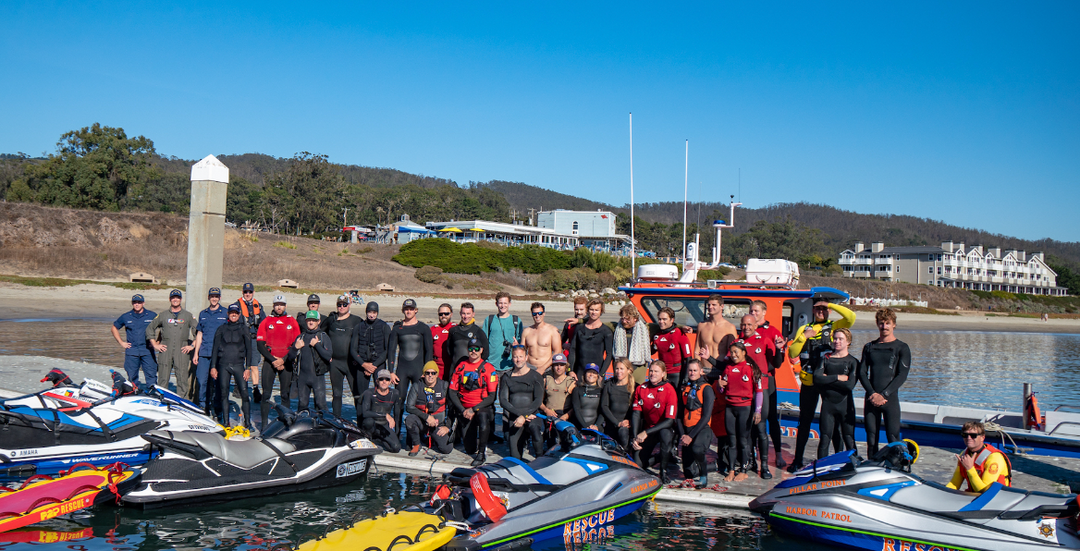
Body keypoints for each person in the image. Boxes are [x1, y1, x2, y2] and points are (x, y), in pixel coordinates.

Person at [786, 297, 857, 471]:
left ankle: (838, 459)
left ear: (829, 311)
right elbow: (792, 352)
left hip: (828, 383)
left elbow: (851, 317)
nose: (820, 311)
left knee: (834, 424)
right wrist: (804, 337)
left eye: (823, 309)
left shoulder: (834, 327)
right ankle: (798, 459)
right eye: (817, 308)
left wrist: (830, 304)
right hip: (810, 382)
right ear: (812, 310)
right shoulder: (805, 328)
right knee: (805, 421)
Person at [733, 314, 784, 477]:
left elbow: (777, 363)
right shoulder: (737, 342)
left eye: (749, 324)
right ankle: (751, 462)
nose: (746, 327)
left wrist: (779, 349)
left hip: (761, 389)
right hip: (743, 390)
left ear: (755, 325)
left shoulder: (763, 340)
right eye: (743, 324)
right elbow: (727, 363)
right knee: (747, 429)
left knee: (761, 428)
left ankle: (765, 466)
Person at [706, 342, 763, 482]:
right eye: (731, 352)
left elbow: (759, 392)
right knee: (731, 441)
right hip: (730, 407)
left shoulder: (751, 369)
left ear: (744, 352)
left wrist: (758, 410)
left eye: (736, 351)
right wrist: (719, 386)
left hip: (745, 408)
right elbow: (721, 390)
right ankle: (731, 470)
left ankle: (743, 470)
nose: (733, 355)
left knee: (743, 441)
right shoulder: (728, 369)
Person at [859, 308, 911, 456]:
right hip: (871, 398)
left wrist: (884, 394)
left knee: (893, 437)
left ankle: (897, 468)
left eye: (888, 323)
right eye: (881, 323)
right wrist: (872, 393)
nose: (884, 326)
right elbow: (862, 373)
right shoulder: (870, 347)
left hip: (890, 399)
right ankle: (872, 467)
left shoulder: (901, 347)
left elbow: (902, 375)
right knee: (871, 437)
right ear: (877, 324)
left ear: (894, 324)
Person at [448, 339, 499, 466]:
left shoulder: (488, 368)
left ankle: (481, 453)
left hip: (481, 408)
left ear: (481, 350)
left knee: (482, 417)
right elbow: (452, 392)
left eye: (477, 349)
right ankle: (475, 444)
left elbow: (492, 396)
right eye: (471, 349)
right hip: (464, 409)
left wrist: (473, 409)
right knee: (469, 448)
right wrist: (462, 410)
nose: (473, 352)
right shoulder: (461, 366)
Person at [387, 298, 434, 432]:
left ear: (416, 310)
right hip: (401, 371)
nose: (408, 311)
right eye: (406, 309)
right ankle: (396, 432)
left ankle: (418, 433)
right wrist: (391, 371)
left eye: (411, 309)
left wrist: (427, 372)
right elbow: (391, 351)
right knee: (399, 401)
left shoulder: (423, 328)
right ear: (403, 311)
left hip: (418, 371)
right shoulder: (397, 329)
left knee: (419, 403)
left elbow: (429, 351)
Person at [256, 295, 301, 431]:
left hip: (286, 362)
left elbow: (297, 344)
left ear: (285, 306)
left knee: (285, 394)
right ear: (273, 306)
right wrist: (273, 359)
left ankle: (285, 423)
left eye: (281, 304)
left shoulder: (291, 321)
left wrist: (284, 359)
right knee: (266, 394)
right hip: (270, 362)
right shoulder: (266, 321)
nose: (279, 307)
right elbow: (260, 344)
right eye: (277, 304)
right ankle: (264, 425)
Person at [813, 327, 859, 459]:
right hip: (828, 406)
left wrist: (827, 379)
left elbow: (849, 385)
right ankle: (821, 468)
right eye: (835, 338)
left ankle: (853, 465)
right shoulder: (826, 358)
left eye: (841, 339)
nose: (837, 341)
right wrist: (837, 377)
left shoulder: (853, 362)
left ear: (848, 342)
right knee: (825, 439)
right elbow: (817, 378)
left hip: (846, 406)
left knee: (849, 438)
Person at [631, 360, 677, 482]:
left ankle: (663, 470)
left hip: (663, 428)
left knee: (665, 435)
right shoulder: (641, 388)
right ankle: (658, 458)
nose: (652, 374)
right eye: (651, 371)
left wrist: (646, 432)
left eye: (656, 371)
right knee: (638, 466)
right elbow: (636, 413)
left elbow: (669, 421)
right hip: (648, 429)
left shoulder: (669, 390)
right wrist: (635, 437)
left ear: (663, 374)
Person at [209, 304, 253, 428]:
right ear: (228, 314)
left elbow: (249, 350)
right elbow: (215, 349)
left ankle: (248, 423)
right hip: (224, 365)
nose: (233, 314)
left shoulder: (244, 329)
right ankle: (225, 421)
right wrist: (213, 366)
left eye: (236, 313)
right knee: (224, 393)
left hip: (239, 365)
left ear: (239, 315)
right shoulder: (221, 329)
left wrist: (248, 368)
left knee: (244, 393)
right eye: (231, 312)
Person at [146, 289, 196, 399]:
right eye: (173, 298)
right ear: (170, 299)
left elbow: (198, 332)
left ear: (181, 299)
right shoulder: (163, 315)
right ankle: (161, 399)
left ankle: (182, 401)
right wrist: (155, 345)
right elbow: (150, 329)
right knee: (163, 378)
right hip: (165, 349)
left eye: (177, 298)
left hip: (182, 349)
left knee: (182, 378)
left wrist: (192, 346)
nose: (175, 300)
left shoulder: (187, 315)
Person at [320, 295, 363, 417]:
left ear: (349, 305)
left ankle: (360, 423)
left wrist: (360, 359)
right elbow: (320, 334)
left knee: (357, 394)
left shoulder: (357, 320)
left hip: (352, 364)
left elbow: (365, 338)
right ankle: (337, 420)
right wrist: (325, 355)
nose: (342, 307)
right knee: (337, 394)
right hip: (335, 363)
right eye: (339, 304)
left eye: (345, 304)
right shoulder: (331, 320)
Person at [499, 346, 545, 459]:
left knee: (536, 434)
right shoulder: (506, 377)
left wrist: (524, 416)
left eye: (520, 356)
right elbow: (503, 401)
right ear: (512, 358)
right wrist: (520, 415)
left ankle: (540, 459)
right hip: (515, 417)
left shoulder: (536, 376)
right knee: (514, 456)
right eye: (515, 357)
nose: (518, 360)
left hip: (532, 415)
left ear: (526, 357)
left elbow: (538, 400)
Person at [678, 359, 715, 487]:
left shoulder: (707, 389)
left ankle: (704, 476)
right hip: (687, 430)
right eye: (690, 370)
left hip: (701, 429)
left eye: (695, 370)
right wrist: (683, 435)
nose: (692, 373)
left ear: (701, 371)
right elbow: (679, 415)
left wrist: (690, 436)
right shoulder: (684, 388)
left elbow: (706, 416)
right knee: (689, 473)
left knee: (697, 449)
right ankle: (712, 466)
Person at [946, 421, 1012, 493]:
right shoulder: (964, 455)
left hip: (996, 498)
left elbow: (985, 492)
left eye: (973, 435)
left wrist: (970, 469)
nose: (968, 438)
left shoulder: (994, 458)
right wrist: (943, 494)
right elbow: (954, 483)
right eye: (965, 435)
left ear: (982, 437)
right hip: (974, 496)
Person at [404, 361, 453, 456]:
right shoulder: (417, 386)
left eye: (433, 373)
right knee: (409, 419)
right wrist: (427, 417)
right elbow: (409, 407)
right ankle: (416, 444)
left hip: (437, 424)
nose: (430, 375)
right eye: (427, 373)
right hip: (422, 422)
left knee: (447, 449)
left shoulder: (444, 386)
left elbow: (452, 409)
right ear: (424, 374)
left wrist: (447, 427)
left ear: (437, 374)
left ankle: (432, 438)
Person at [349, 301, 392, 412]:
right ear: (366, 312)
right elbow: (353, 350)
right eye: (369, 312)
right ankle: (361, 422)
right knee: (361, 396)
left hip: (378, 364)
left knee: (381, 394)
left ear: (377, 313)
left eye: (374, 312)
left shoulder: (384, 327)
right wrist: (363, 364)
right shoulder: (359, 327)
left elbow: (388, 350)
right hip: (362, 365)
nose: (371, 315)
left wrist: (373, 366)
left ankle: (380, 419)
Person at [192, 288, 228, 414]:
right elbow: (199, 334)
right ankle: (203, 406)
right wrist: (196, 353)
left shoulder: (225, 313)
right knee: (202, 381)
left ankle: (216, 407)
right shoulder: (203, 313)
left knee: (217, 382)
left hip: (219, 354)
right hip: (204, 352)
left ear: (220, 298)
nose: (214, 298)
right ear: (208, 297)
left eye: (216, 296)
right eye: (212, 296)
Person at [111, 294, 157, 388]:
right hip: (132, 351)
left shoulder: (152, 315)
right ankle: (135, 392)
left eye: (139, 302)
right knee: (132, 376)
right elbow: (114, 328)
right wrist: (121, 342)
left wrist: (157, 342)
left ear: (143, 303)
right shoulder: (126, 316)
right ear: (132, 303)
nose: (137, 304)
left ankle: (153, 393)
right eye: (135, 302)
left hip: (147, 350)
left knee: (151, 375)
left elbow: (163, 327)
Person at [294, 310, 332, 415]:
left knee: (321, 405)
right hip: (303, 378)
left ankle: (325, 428)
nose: (311, 322)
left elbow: (328, 356)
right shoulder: (301, 337)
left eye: (314, 320)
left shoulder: (323, 336)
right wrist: (295, 348)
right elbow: (290, 357)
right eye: (309, 320)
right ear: (305, 321)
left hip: (317, 377)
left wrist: (317, 345)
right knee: (302, 405)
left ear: (319, 321)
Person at [568, 299, 613, 381]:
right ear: (587, 310)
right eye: (591, 309)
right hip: (579, 371)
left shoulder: (606, 331)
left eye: (597, 310)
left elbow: (609, 355)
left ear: (601, 311)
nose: (594, 312)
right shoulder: (579, 328)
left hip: (596, 372)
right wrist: (570, 370)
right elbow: (572, 350)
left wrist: (601, 373)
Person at [358, 369, 401, 453]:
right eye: (381, 379)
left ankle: (377, 439)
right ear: (377, 381)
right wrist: (385, 415)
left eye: (387, 379)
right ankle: (368, 437)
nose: (384, 382)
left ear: (390, 382)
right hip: (371, 423)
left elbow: (397, 415)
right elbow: (365, 413)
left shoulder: (395, 393)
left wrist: (396, 433)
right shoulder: (369, 393)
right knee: (369, 422)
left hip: (383, 425)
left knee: (396, 448)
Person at [444, 302, 489, 382]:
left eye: (468, 314)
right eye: (463, 313)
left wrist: (475, 365)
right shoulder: (453, 331)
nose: (465, 316)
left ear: (473, 314)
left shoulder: (478, 331)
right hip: (455, 369)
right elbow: (449, 350)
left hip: (472, 371)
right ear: (460, 313)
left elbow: (486, 352)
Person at [695, 294, 737, 376]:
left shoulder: (729, 327)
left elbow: (733, 352)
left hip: (720, 369)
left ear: (722, 306)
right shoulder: (701, 325)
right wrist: (697, 368)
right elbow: (697, 348)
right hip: (704, 370)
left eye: (714, 305)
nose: (710, 307)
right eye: (709, 305)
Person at [653, 307, 692, 389]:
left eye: (664, 319)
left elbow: (689, 358)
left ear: (672, 320)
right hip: (662, 374)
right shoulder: (657, 335)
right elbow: (650, 351)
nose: (661, 322)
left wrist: (686, 378)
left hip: (676, 374)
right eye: (659, 319)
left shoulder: (679, 333)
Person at [600, 358, 635, 449]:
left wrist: (630, 421)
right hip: (611, 425)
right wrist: (617, 423)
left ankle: (625, 455)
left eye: (621, 369)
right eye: (617, 368)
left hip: (626, 428)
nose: (618, 371)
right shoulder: (609, 385)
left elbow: (638, 411)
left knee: (623, 432)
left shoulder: (635, 387)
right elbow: (604, 406)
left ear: (629, 370)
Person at [614, 305, 652, 383]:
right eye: (622, 318)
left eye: (627, 319)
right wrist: (581, 320)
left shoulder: (645, 328)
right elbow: (596, 323)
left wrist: (682, 327)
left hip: (639, 368)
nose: (624, 321)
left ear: (635, 318)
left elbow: (667, 326)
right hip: (622, 369)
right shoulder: (617, 328)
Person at [521, 302, 562, 375]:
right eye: (534, 313)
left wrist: (543, 368)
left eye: (540, 313)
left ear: (544, 313)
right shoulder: (526, 331)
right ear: (532, 314)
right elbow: (522, 352)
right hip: (530, 368)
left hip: (547, 369)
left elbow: (557, 352)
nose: (537, 315)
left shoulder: (552, 330)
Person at [234, 283, 265, 375]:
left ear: (253, 292)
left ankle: (255, 387)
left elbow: (264, 324)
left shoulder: (258, 306)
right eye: (245, 292)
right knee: (239, 363)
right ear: (242, 293)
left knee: (254, 364)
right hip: (241, 340)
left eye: (250, 292)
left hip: (254, 340)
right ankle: (238, 385)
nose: (248, 294)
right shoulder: (236, 306)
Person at [540, 353, 574, 423]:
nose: (559, 367)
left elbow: (576, 405)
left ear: (566, 366)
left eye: (561, 365)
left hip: (564, 414)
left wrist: (566, 416)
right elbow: (538, 401)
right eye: (556, 365)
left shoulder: (572, 382)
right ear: (552, 366)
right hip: (548, 414)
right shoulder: (546, 380)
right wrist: (546, 410)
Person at [570, 363, 603, 430]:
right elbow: (576, 409)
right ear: (584, 374)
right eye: (589, 372)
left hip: (595, 427)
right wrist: (585, 426)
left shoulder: (602, 391)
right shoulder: (577, 390)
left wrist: (596, 425)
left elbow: (603, 410)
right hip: (579, 426)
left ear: (597, 376)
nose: (591, 374)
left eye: (594, 373)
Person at [431, 303, 454, 378]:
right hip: (436, 367)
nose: (443, 316)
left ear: (451, 314)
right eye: (441, 314)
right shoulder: (433, 329)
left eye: (446, 314)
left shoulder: (456, 329)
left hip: (451, 367)